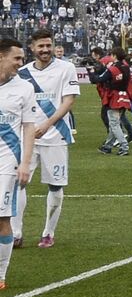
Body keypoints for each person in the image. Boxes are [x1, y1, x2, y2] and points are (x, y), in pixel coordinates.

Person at [14, 31, 80, 249]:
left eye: (48, 45)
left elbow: (68, 100)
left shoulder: (66, 68)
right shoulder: (22, 73)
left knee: (55, 185)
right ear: (31, 48)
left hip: (56, 135)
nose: (45, 50)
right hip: (27, 138)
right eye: (40, 46)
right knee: (18, 182)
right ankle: (16, 232)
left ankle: (48, 232)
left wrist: (47, 124)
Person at [0, 38, 42, 290]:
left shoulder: (24, 88)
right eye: (16, 58)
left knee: (2, 217)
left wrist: (25, 163)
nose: (21, 62)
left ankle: (1, 274)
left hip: (6, 161)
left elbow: (28, 128)